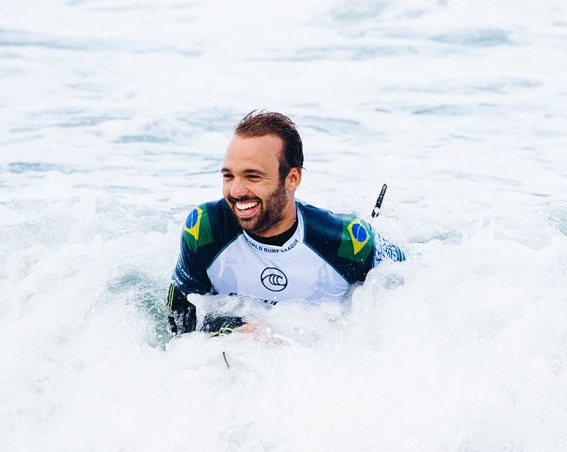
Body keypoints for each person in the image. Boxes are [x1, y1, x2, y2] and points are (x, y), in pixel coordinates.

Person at [166, 111, 404, 336]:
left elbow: (414, 282)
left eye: (253, 176)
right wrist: (231, 329)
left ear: (292, 178)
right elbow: (178, 325)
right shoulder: (205, 230)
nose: (236, 191)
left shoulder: (349, 242)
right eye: (229, 176)